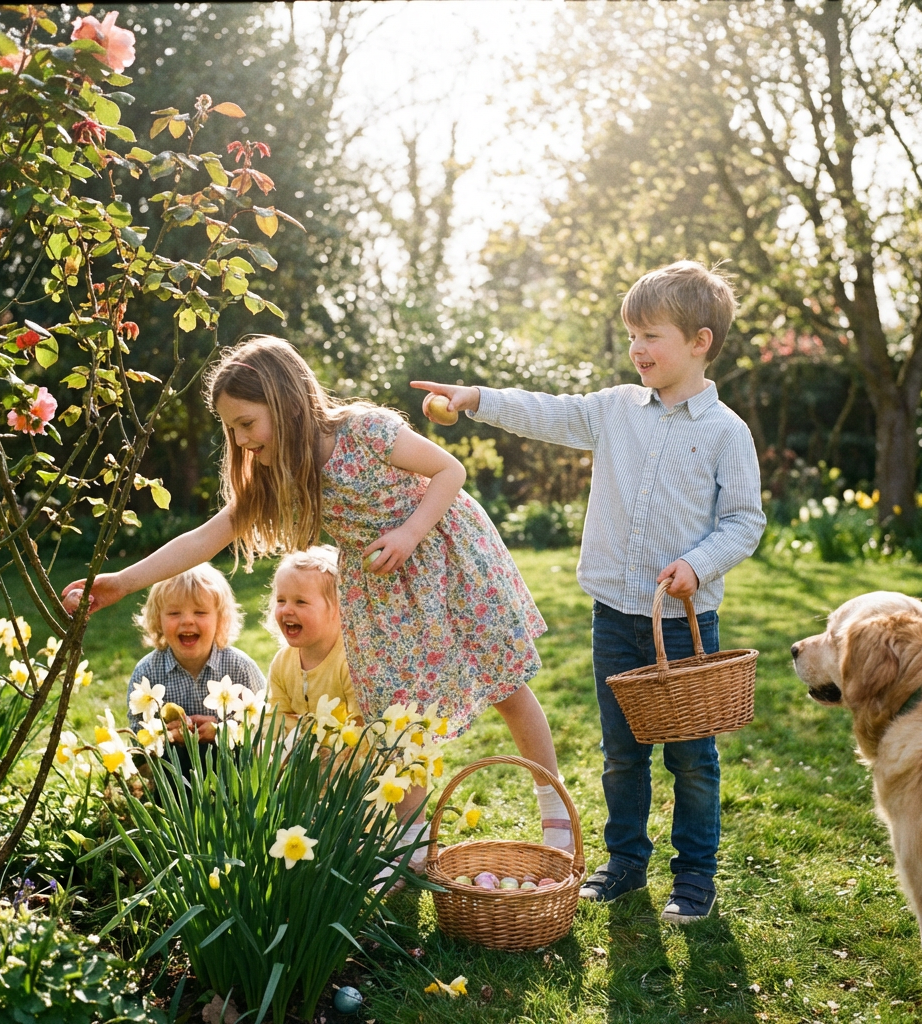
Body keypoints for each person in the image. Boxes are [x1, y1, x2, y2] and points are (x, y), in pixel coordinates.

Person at [64, 336, 573, 866]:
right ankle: (413, 845)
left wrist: (409, 533)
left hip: (445, 554)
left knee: (504, 680)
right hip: (381, 589)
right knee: (393, 715)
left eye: (245, 424)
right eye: (230, 429)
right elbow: (209, 536)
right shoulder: (277, 472)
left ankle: (553, 805)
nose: (239, 441)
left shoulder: (364, 430)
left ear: (282, 402)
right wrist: (121, 581)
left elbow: (450, 471)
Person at [412, 260, 766, 922]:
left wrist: (698, 562)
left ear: (700, 341)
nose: (637, 350)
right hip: (615, 618)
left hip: (685, 626)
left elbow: (745, 521)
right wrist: (475, 398)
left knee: (693, 762)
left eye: (651, 336)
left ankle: (694, 878)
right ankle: (626, 862)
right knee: (621, 757)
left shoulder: (726, 432)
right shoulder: (612, 410)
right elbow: (547, 412)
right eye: (632, 336)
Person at [127, 563, 266, 771]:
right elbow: (138, 739)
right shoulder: (147, 672)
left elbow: (263, 730)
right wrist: (166, 736)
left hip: (232, 776)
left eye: (200, 612)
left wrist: (221, 731)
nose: (187, 621)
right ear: (158, 619)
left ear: (221, 619)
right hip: (173, 781)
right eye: (174, 613)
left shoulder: (240, 668)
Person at [263, 544, 361, 732]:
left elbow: (361, 726)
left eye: (301, 602)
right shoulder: (283, 662)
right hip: (301, 758)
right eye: (281, 600)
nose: (287, 610)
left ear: (337, 608)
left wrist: (300, 728)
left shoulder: (350, 662)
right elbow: (273, 720)